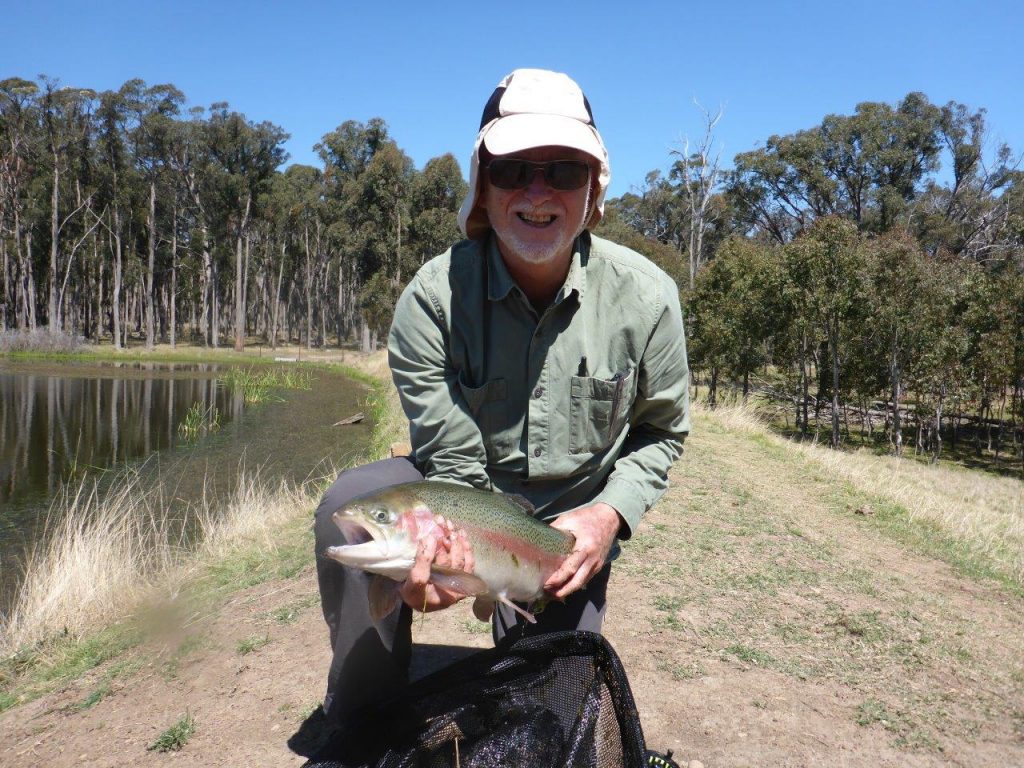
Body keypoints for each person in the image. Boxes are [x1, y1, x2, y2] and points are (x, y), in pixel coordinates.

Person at [313, 68, 690, 723]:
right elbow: (450, 460)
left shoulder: (649, 300)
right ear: (482, 188)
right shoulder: (431, 302)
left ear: (594, 190)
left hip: (569, 526)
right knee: (348, 503)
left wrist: (608, 517)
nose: (537, 191)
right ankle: (364, 713)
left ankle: (532, 647)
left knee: (551, 710)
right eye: (513, 170)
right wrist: (452, 559)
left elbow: (662, 432)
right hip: (466, 494)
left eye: (563, 171)